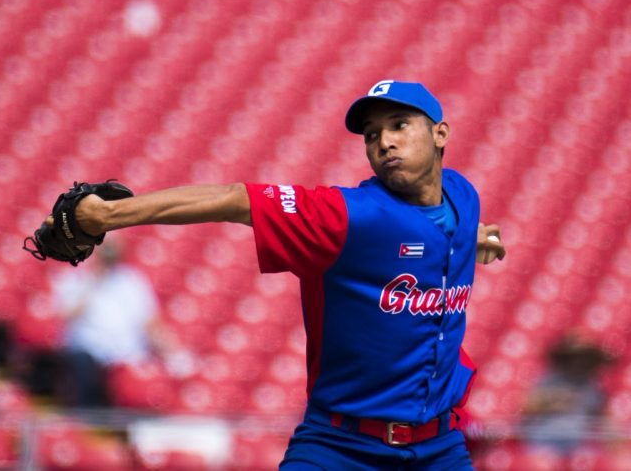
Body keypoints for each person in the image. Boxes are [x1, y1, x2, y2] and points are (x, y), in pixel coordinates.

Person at [47, 79, 506, 469]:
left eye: (399, 125)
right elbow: (235, 199)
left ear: (440, 133)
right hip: (342, 446)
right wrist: (109, 215)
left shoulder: (463, 198)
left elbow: (440, 229)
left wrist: (472, 243)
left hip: (440, 447)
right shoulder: (348, 215)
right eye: (371, 134)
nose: (383, 141)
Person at [49, 240, 170, 407]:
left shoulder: (131, 280)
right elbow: (67, 316)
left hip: (127, 356)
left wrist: (172, 352)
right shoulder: (74, 278)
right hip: (89, 353)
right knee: (82, 364)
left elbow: (149, 322)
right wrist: (93, 281)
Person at [521, 330, 614, 456]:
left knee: (590, 457)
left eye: (584, 357)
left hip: (578, 441)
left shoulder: (592, 386)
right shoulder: (550, 380)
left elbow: (603, 416)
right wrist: (553, 401)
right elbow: (528, 406)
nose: (579, 362)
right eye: (575, 357)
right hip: (546, 438)